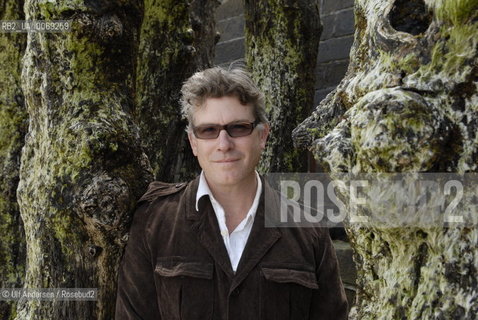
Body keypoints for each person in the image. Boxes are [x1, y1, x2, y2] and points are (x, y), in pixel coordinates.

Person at [115, 67, 348, 320]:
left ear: (262, 136)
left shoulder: (308, 228)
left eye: (238, 128)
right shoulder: (154, 220)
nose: (224, 144)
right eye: (208, 131)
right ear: (193, 142)